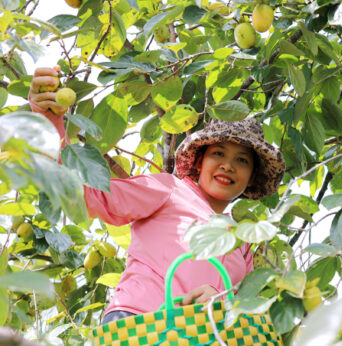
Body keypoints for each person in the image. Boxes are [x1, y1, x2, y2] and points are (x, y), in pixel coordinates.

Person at [28, 67, 286, 324]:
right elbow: (87, 193)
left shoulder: (242, 240)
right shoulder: (168, 189)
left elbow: (246, 311)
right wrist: (48, 122)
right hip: (139, 323)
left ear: (251, 177)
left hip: (198, 339)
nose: (228, 165)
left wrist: (222, 300)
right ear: (199, 162)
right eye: (218, 153)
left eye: (242, 160)